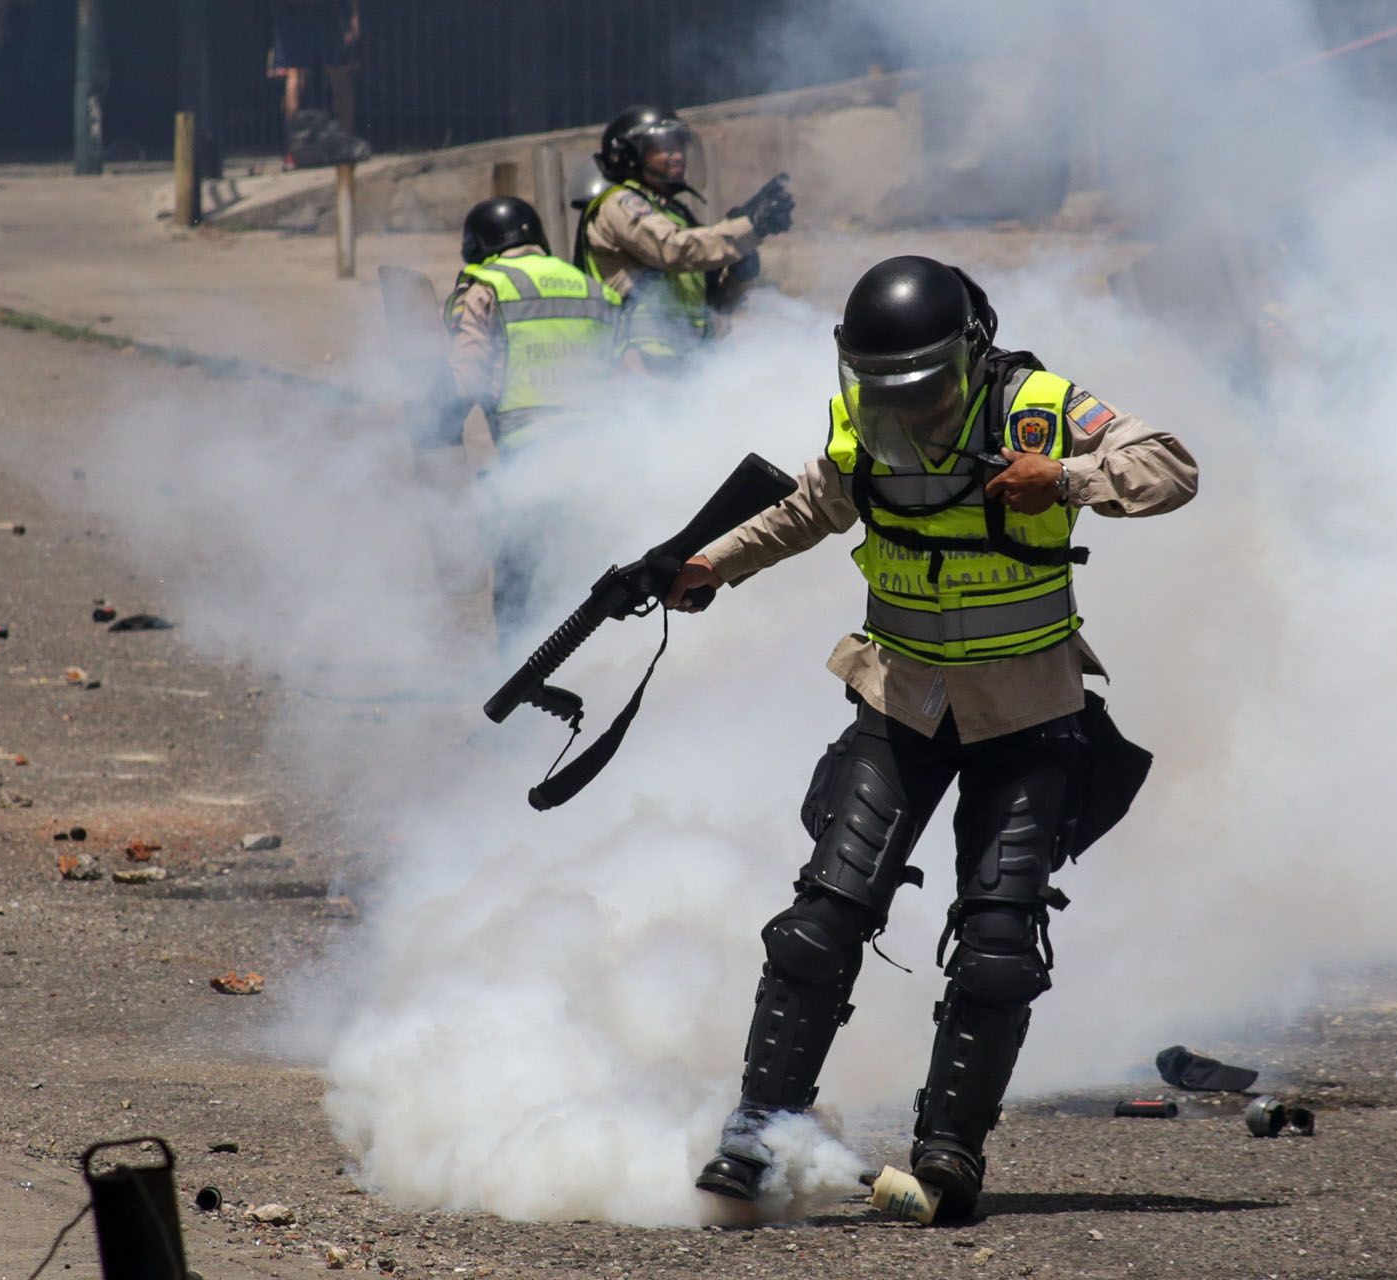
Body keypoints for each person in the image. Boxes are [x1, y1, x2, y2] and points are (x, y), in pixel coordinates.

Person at [668, 255, 1199, 1220]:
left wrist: (1067, 477)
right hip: (901, 700)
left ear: (968, 355)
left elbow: (1171, 466)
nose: (905, 410)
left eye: (923, 389)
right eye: (884, 391)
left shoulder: (1036, 407)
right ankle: (756, 1135)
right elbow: (807, 508)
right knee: (820, 922)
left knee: (999, 942)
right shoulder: (863, 418)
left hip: (1030, 712)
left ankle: (949, 1153)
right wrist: (710, 563)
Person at [445, 196, 623, 642]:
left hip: (531, 456)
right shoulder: (590, 286)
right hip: (600, 452)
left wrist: (435, 417)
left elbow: (466, 379)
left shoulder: (486, 286)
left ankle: (518, 675)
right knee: (583, 567)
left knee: (520, 569)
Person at [576, 105, 795, 373]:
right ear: (629, 154)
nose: (677, 155)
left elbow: (712, 304)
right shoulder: (620, 203)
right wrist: (750, 226)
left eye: (679, 146)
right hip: (637, 364)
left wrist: (737, 275)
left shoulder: (673, 215)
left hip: (685, 361)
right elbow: (673, 249)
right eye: (663, 147)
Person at [266, 0, 361, 164]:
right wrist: (354, 15)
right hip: (325, 8)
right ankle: (346, 140)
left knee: (295, 72)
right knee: (338, 71)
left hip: (292, 9)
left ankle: (294, 145)